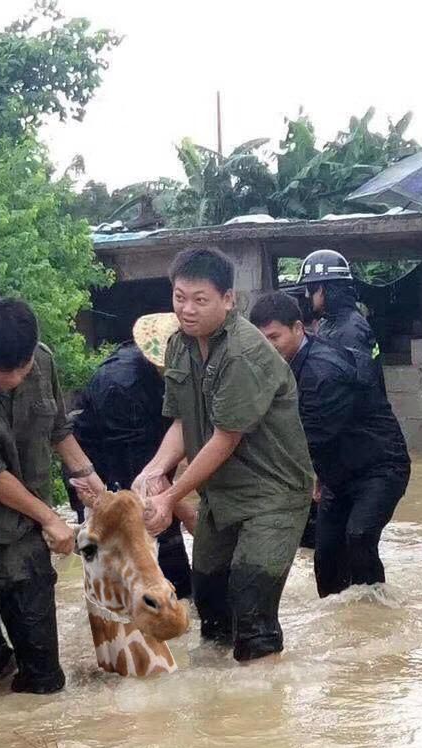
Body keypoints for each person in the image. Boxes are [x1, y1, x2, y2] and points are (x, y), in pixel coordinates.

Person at [130, 248, 314, 663]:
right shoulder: (180, 345)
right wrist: (155, 470)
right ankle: (218, 709)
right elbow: (182, 422)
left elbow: (224, 438)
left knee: (252, 611)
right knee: (211, 608)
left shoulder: (244, 353)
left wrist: (169, 498)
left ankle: (259, 715)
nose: (187, 309)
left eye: (200, 299)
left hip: (273, 497)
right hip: (222, 495)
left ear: (228, 299)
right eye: (179, 297)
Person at [0, 298, 103, 694]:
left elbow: (57, 427)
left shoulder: (41, 361)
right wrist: (50, 518)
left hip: (24, 527)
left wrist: (87, 474)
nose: (13, 378)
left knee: (44, 673)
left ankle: (36, 735)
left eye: (21, 368)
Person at [250, 291, 410, 597]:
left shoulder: (322, 373)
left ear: (298, 328)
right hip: (338, 474)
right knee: (325, 555)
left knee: (360, 536)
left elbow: (307, 439)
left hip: (380, 468)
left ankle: (377, 615)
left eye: (274, 337)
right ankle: (339, 625)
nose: (267, 348)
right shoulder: (288, 362)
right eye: (261, 341)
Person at [68, 314, 194, 599]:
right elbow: (136, 474)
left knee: (166, 536)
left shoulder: (163, 377)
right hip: (103, 475)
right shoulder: (121, 385)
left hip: (144, 459)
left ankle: (182, 609)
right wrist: (186, 511)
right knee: (125, 555)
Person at [299, 249, 386, 390]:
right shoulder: (330, 322)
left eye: (310, 288)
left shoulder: (351, 329)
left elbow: (358, 386)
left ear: (322, 289)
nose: (307, 295)